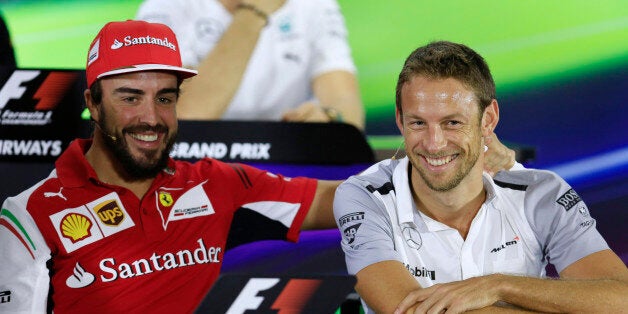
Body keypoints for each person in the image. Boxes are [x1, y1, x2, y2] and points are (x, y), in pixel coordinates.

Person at [0, 20, 339, 313]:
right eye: (130, 98)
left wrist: (391, 170)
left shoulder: (214, 183)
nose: (151, 118)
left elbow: (335, 200)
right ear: (94, 104)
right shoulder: (29, 214)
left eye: (165, 98)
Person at [333, 41, 628, 314]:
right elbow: (408, 310)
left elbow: (620, 298)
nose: (434, 143)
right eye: (418, 123)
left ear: (488, 120)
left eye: (452, 123)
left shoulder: (542, 194)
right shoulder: (363, 196)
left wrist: (499, 285)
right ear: (400, 120)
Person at [135, 0, 366, 130]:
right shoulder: (166, 7)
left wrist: (329, 118)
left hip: (284, 160)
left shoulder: (314, 6)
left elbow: (346, 106)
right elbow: (180, 114)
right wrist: (253, 12)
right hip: (194, 165)